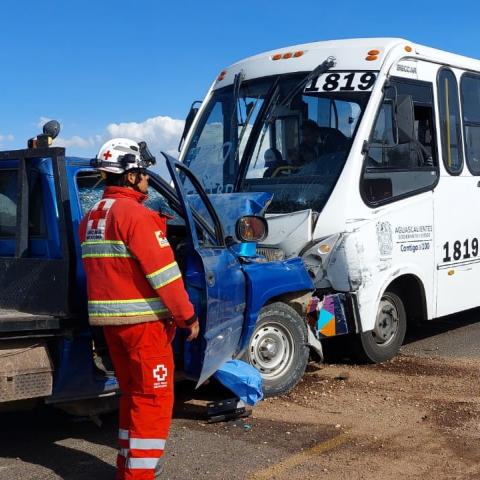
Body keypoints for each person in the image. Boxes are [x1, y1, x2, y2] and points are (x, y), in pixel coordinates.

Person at [79, 138, 199, 480]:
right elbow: (165, 275)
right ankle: (140, 476)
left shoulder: (91, 217)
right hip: (144, 326)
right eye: (143, 174)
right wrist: (186, 316)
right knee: (153, 399)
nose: (146, 179)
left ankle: (128, 468)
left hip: (113, 326)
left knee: (133, 396)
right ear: (130, 176)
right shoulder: (137, 216)